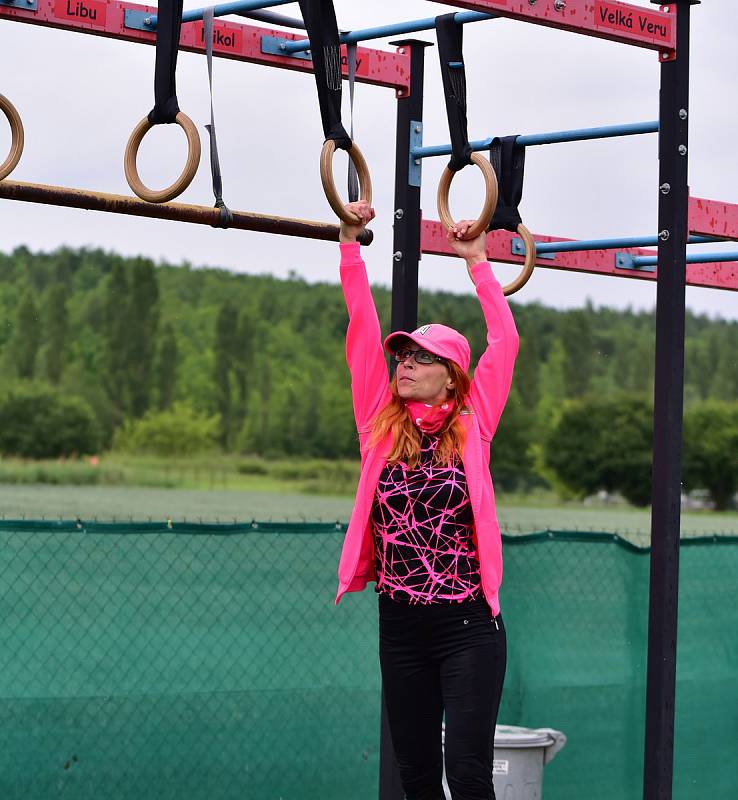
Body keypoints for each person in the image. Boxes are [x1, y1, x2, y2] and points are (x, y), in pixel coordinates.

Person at [335, 200, 519, 800]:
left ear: (452, 374)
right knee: (415, 779)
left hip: (467, 626)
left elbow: (505, 340)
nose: (405, 365)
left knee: (466, 777)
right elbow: (363, 330)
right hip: (401, 625)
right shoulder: (379, 425)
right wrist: (349, 245)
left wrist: (478, 265)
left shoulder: (475, 419)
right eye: (403, 357)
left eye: (420, 358)